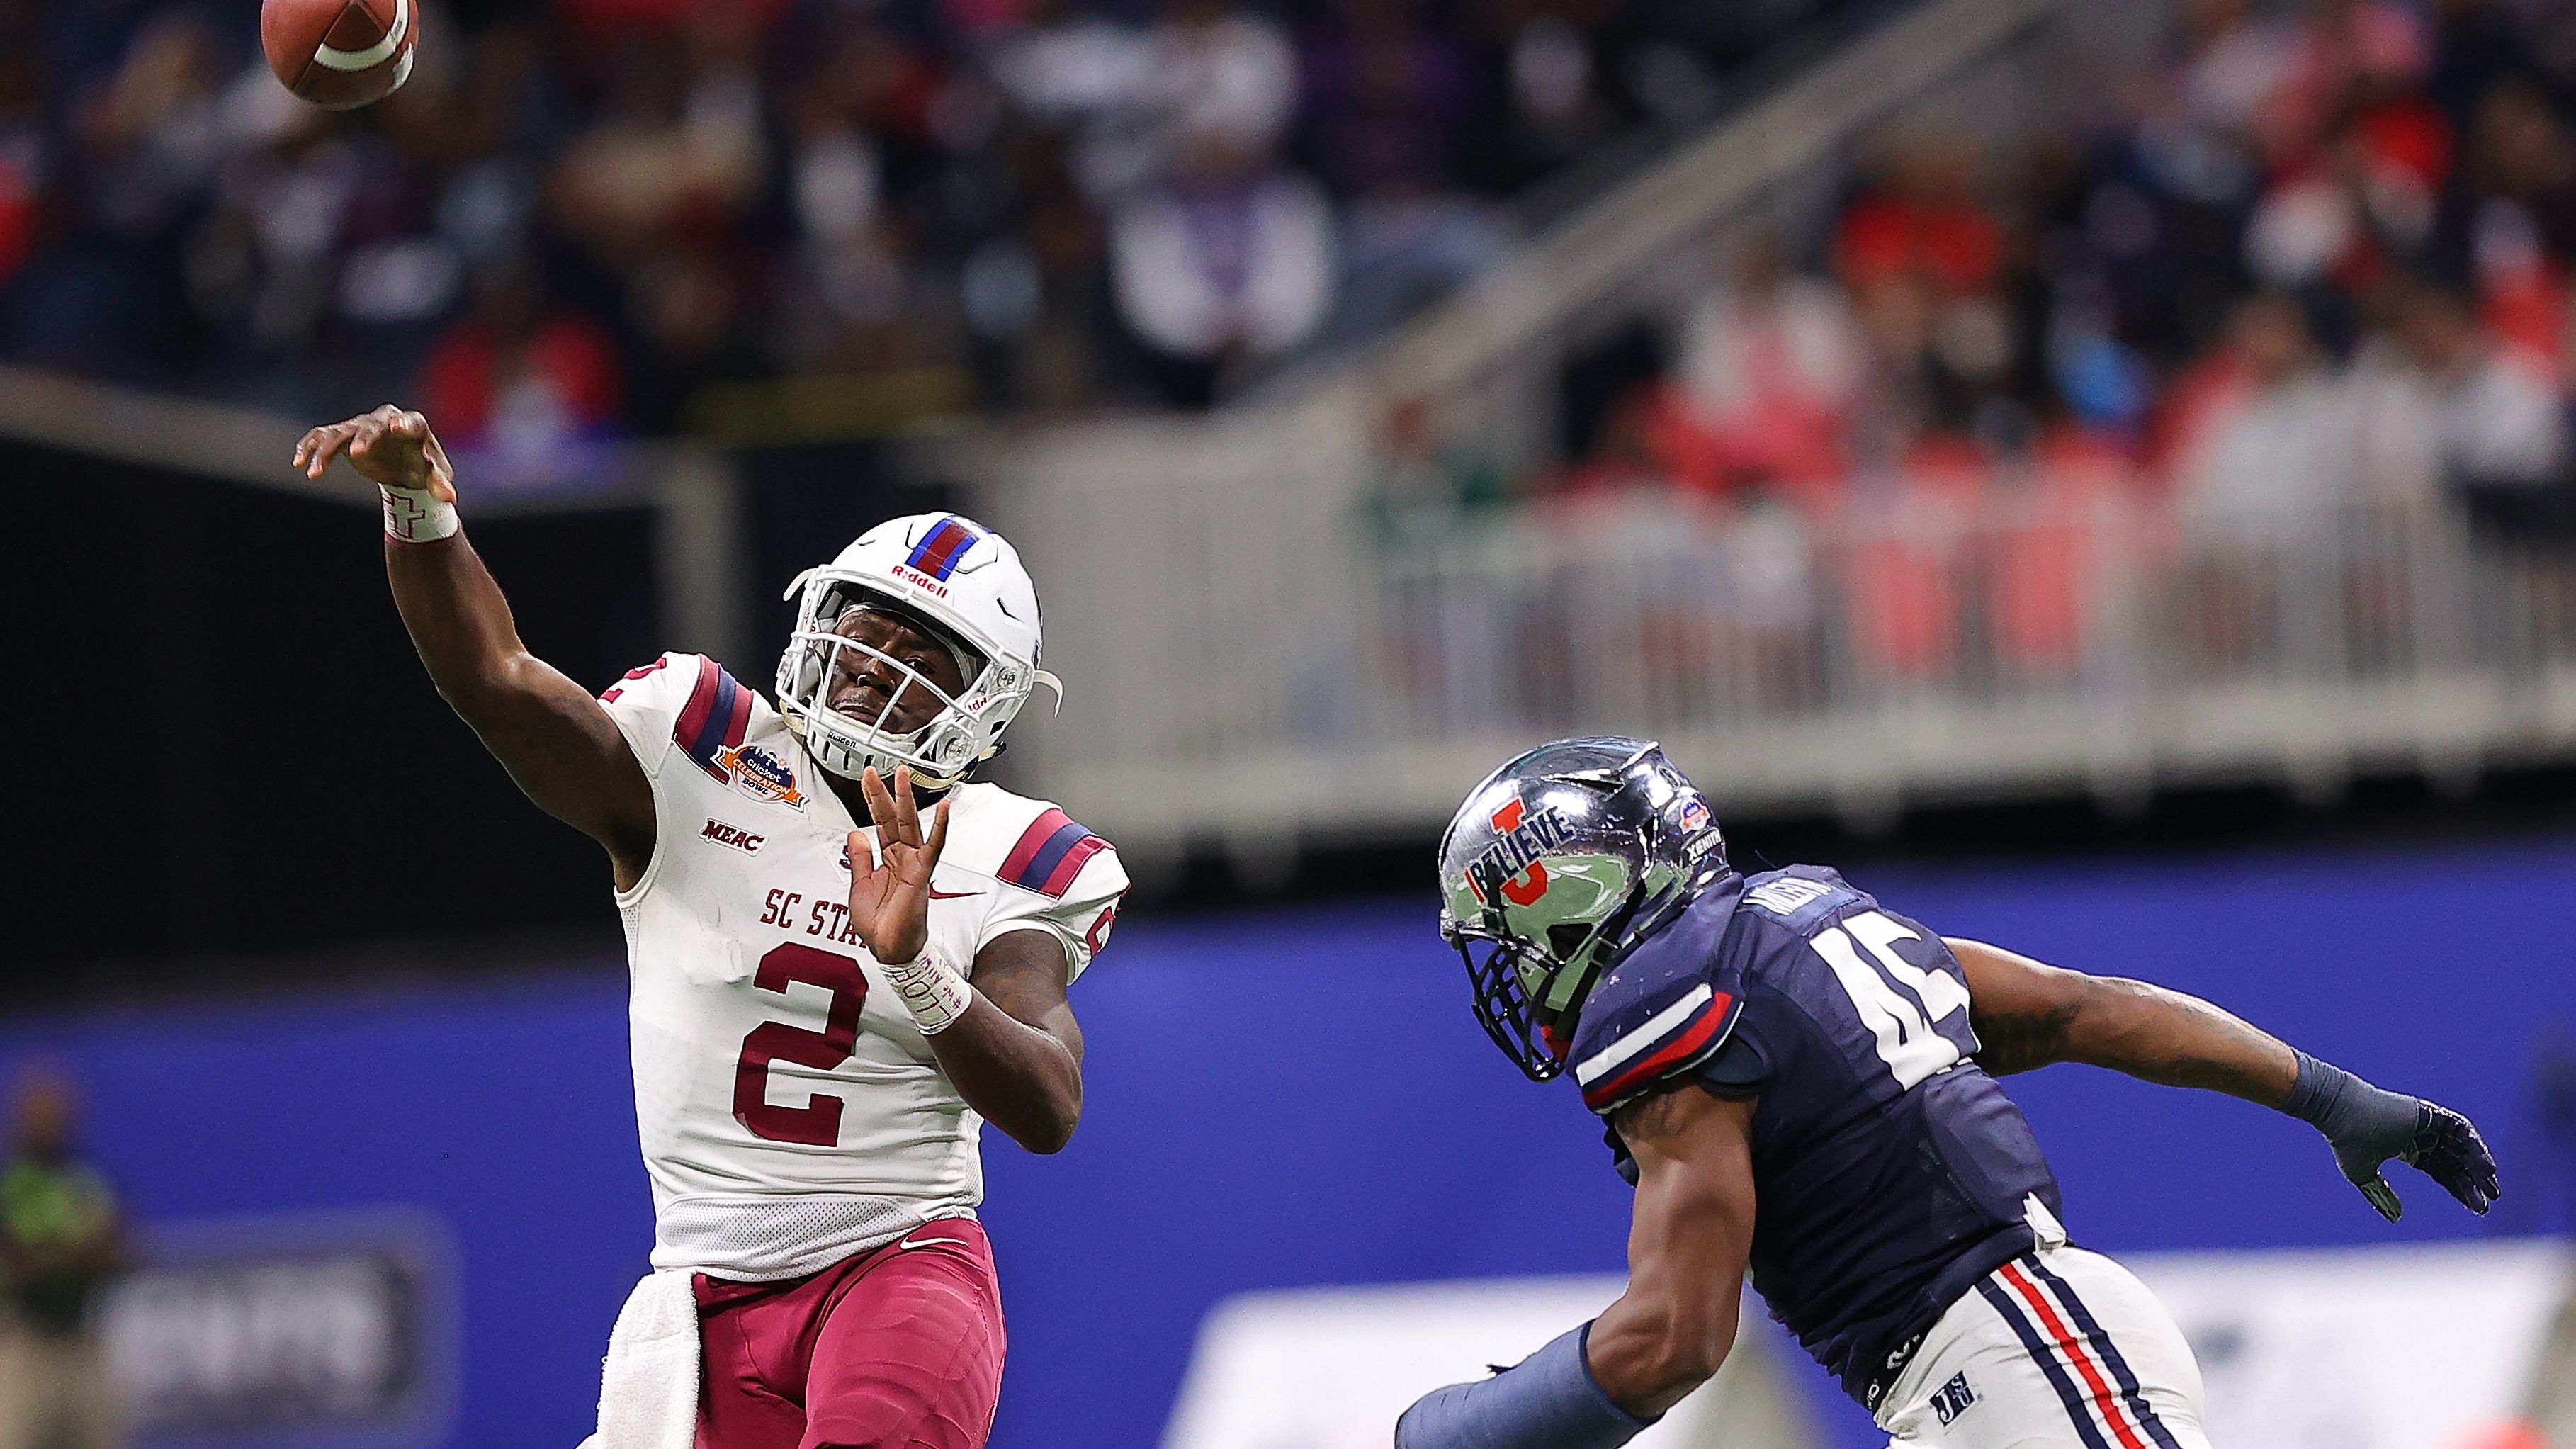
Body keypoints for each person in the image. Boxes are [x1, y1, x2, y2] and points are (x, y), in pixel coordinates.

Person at [291, 406, 1126, 1449]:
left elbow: (1050, 1105)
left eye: (925, 650)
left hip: (896, 1260)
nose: (878, 659)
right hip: (701, 1294)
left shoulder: (1010, 848)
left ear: (983, 707)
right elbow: (496, 680)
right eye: (867, 623)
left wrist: (916, 968)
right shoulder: (703, 744)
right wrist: (417, 505)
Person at [1398, 736, 2499, 1449]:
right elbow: (2085, 1007)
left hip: (2022, 1357)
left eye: (1508, 937)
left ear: (1568, 891)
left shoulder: (1670, 995)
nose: (1513, 971)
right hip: (1995, 1372)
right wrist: (2333, 1097)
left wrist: (1456, 1430)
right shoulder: (1803, 919)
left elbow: (1676, 1335)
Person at [0, 1068, 123, 1449]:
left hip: (81, 1340)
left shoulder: (85, 1180)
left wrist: (57, 1253)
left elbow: (113, 1247)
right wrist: (69, 1253)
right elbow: (18, 1258)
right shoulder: (12, 1183)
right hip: (26, 1345)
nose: (49, 1122)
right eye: (40, 1112)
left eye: (56, 1112)